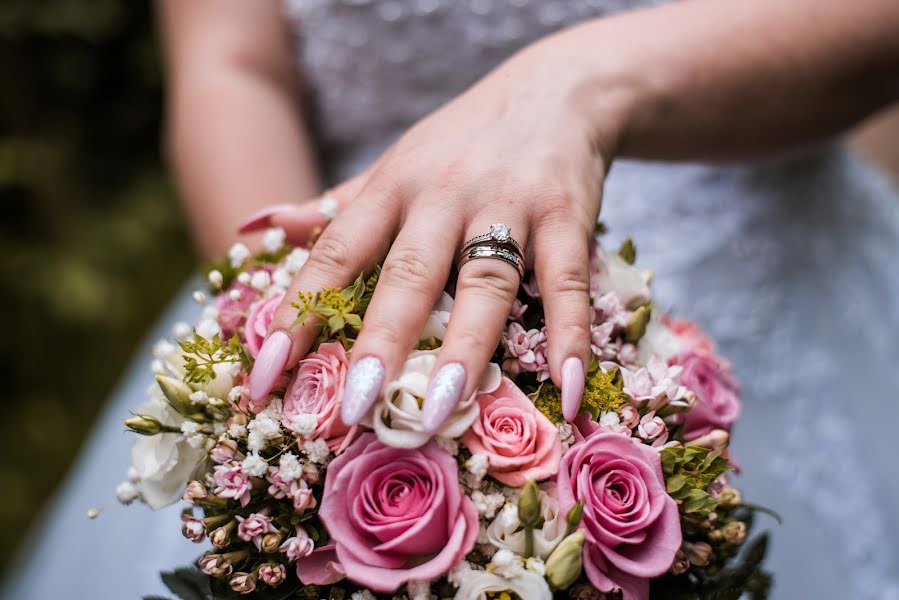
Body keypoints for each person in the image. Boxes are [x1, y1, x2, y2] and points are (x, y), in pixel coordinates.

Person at [4, 0, 899, 598]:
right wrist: (288, 337)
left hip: (764, 300)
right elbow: (234, 65)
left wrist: (574, 86)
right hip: (363, 262)